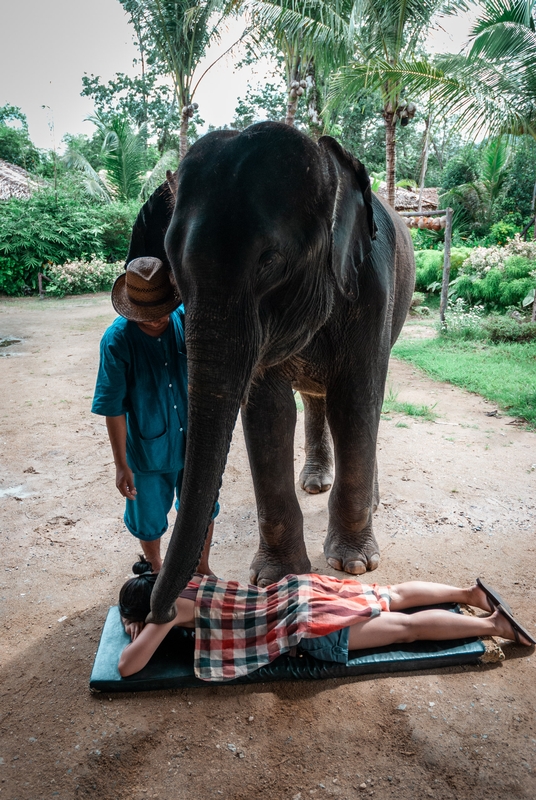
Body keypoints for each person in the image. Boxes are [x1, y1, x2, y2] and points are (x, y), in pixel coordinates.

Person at [117, 558, 535, 681]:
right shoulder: (184, 580)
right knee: (389, 595)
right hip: (299, 590)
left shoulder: (167, 612)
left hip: (305, 624)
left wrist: (137, 625)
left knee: (408, 630)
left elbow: (127, 666)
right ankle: (469, 594)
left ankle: (494, 626)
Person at [92, 257, 218, 574]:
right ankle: (157, 569)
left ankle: (201, 567)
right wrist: (122, 465)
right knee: (148, 515)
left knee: (202, 507)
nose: (158, 318)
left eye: (163, 309)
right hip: (147, 451)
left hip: (195, 442)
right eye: (147, 316)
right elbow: (113, 407)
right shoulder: (117, 341)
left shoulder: (186, 318)